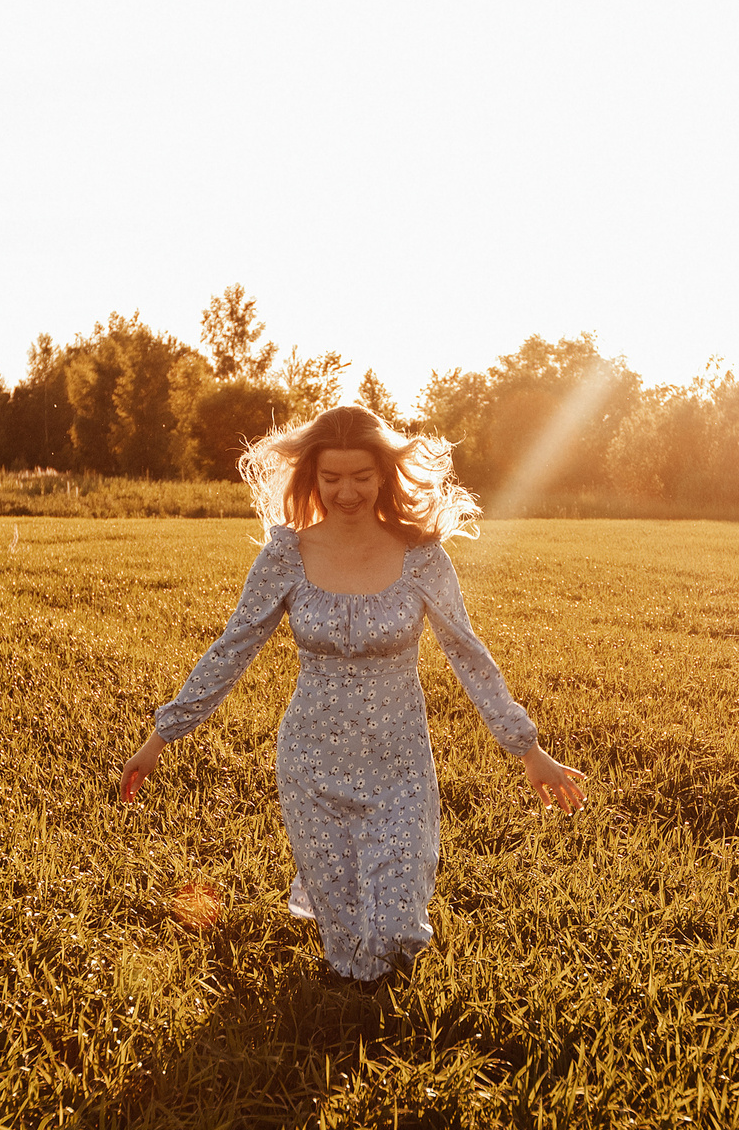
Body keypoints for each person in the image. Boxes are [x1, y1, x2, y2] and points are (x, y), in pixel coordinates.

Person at [119, 405, 585, 988]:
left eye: (362, 476)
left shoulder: (422, 558)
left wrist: (527, 749)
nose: (346, 491)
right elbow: (231, 649)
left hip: (399, 768)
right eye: (332, 477)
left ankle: (383, 1041)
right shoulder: (285, 555)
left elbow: (470, 656)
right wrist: (160, 738)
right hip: (311, 765)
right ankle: (339, 1050)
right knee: (345, 954)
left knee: (389, 938)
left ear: (385, 475)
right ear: (311, 477)